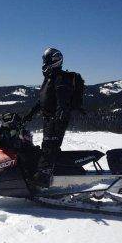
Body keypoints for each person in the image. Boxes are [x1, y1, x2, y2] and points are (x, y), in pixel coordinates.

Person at [23, 47, 75, 185]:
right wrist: (30, 114)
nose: (44, 63)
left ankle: (43, 178)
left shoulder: (61, 78)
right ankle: (55, 172)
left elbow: (63, 102)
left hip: (56, 120)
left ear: (54, 61)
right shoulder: (49, 78)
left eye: (46, 60)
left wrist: (58, 119)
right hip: (49, 119)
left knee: (49, 147)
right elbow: (43, 100)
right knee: (49, 147)